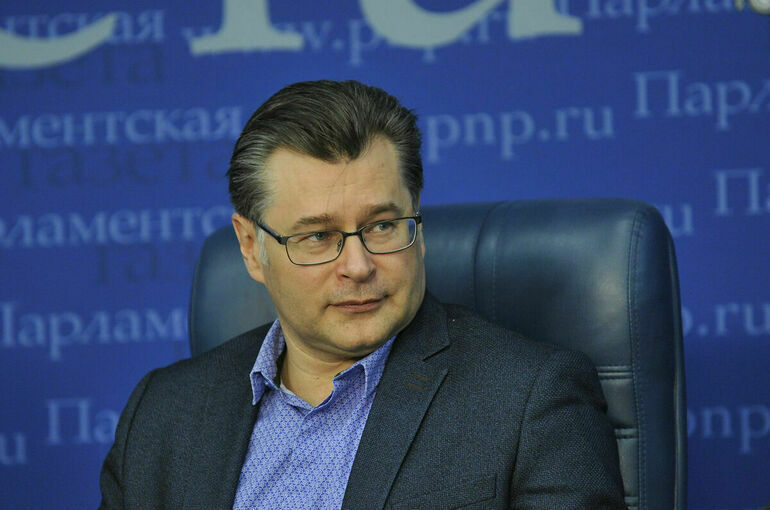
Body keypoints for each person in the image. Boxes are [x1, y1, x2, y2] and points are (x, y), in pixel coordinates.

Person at [99, 80, 625, 509]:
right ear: (251, 248)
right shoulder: (162, 415)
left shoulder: (531, 398)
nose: (358, 266)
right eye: (317, 236)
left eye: (382, 226)